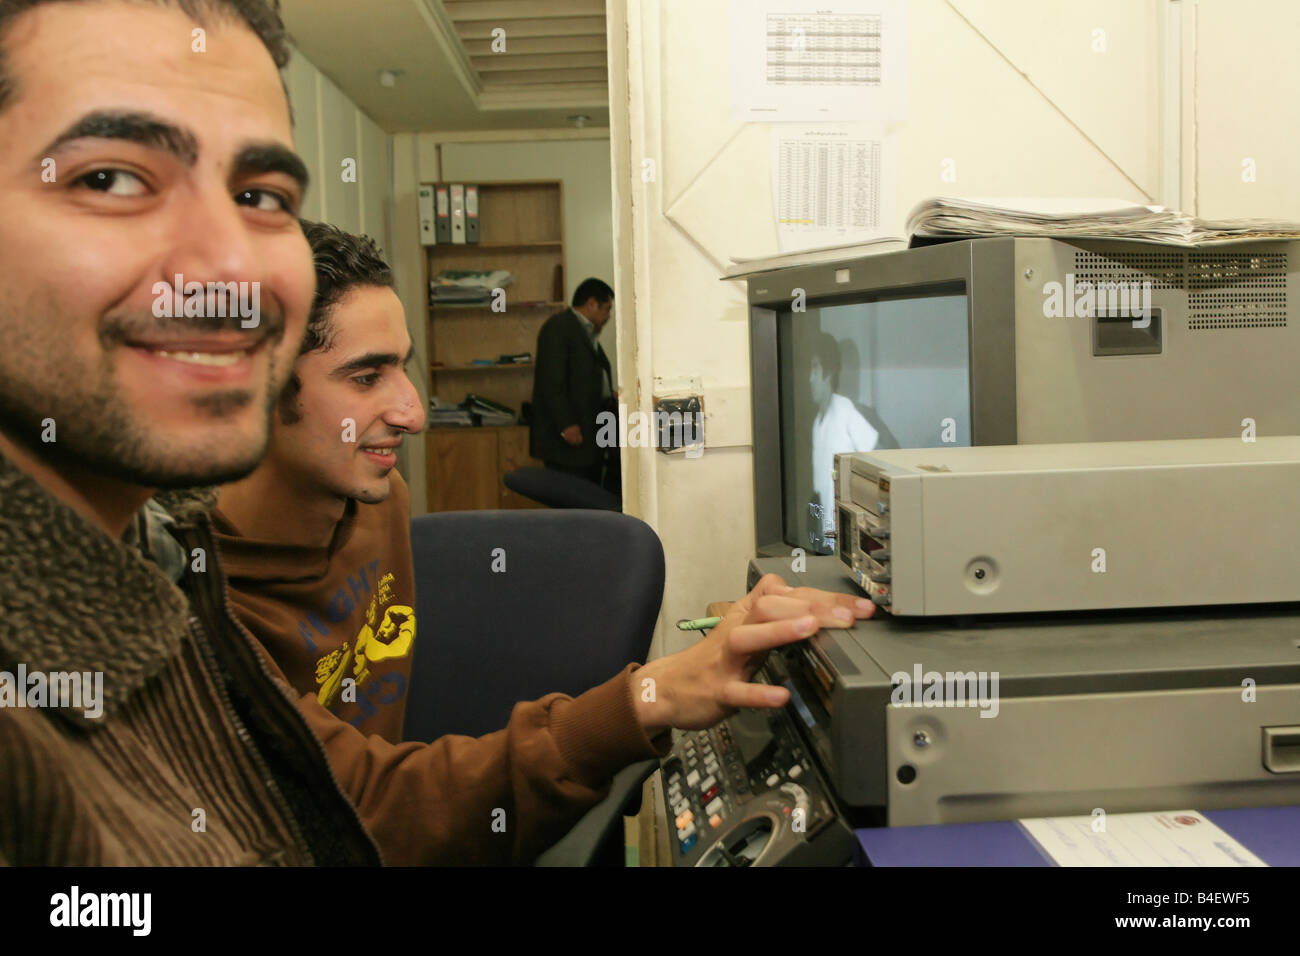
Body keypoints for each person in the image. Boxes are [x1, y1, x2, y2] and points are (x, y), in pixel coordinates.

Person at [0, 0, 875, 866]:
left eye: (260, 196)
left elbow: (345, 807)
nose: (230, 271)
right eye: (109, 178)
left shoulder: (156, 566)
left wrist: (657, 692)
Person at [530, 278, 618, 492]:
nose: (608, 317)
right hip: (567, 439)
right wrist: (566, 424)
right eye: (606, 309)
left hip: (588, 435)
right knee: (572, 498)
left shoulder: (585, 333)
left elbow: (586, 375)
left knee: (589, 494)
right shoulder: (559, 328)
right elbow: (551, 382)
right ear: (591, 304)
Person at [808, 332, 879, 551]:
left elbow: (883, 458)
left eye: (815, 368)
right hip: (828, 541)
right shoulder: (817, 423)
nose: (810, 378)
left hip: (850, 542)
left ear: (829, 372)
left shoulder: (845, 411)